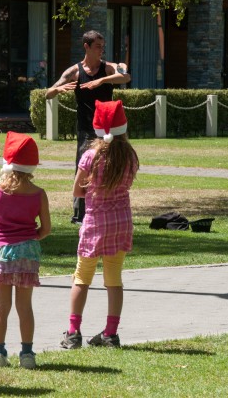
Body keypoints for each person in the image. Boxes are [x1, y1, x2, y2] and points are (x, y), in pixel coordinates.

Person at [60, 99, 139, 349]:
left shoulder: (90, 157)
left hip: (95, 224)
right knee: (114, 280)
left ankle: (73, 332)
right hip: (121, 223)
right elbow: (127, 185)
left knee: (82, 277)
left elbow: (78, 191)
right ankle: (110, 334)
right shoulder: (130, 156)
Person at [0, 131, 51, 369]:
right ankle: (27, 354)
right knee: (24, 306)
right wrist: (33, 236)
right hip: (27, 252)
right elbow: (46, 229)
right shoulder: (38, 194)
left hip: (1, 252)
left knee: (1, 306)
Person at [45, 30, 131, 225]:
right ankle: (80, 215)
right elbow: (48, 94)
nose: (102, 50)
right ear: (87, 46)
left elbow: (125, 78)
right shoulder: (74, 72)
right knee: (83, 169)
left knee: (111, 167)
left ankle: (108, 208)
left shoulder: (108, 68)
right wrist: (57, 89)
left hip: (108, 128)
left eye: (103, 46)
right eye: (98, 46)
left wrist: (102, 80)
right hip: (85, 129)